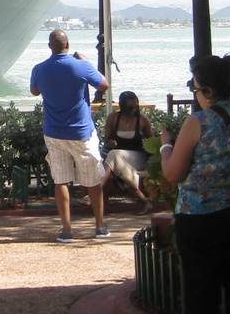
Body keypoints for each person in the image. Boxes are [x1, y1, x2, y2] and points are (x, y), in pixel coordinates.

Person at [160, 54, 230, 314]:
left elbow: (173, 174)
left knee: (200, 297)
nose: (194, 94)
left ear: (207, 90)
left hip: (200, 221)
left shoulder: (198, 122)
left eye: (194, 88)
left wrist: (165, 145)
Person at [30, 28, 109, 242]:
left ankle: (67, 229)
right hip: (81, 131)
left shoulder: (39, 69)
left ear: (50, 46)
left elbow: (34, 91)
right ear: (68, 44)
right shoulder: (81, 66)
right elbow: (104, 84)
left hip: (54, 132)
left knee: (61, 181)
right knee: (93, 180)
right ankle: (100, 225)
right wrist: (85, 61)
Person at [99, 91, 154, 213]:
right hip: (119, 160)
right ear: (122, 106)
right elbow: (106, 141)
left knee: (114, 155)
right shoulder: (113, 119)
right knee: (116, 157)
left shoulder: (142, 120)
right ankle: (145, 202)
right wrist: (110, 143)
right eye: (130, 107)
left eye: (136, 106)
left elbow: (152, 143)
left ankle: (96, 191)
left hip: (137, 157)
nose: (133, 110)